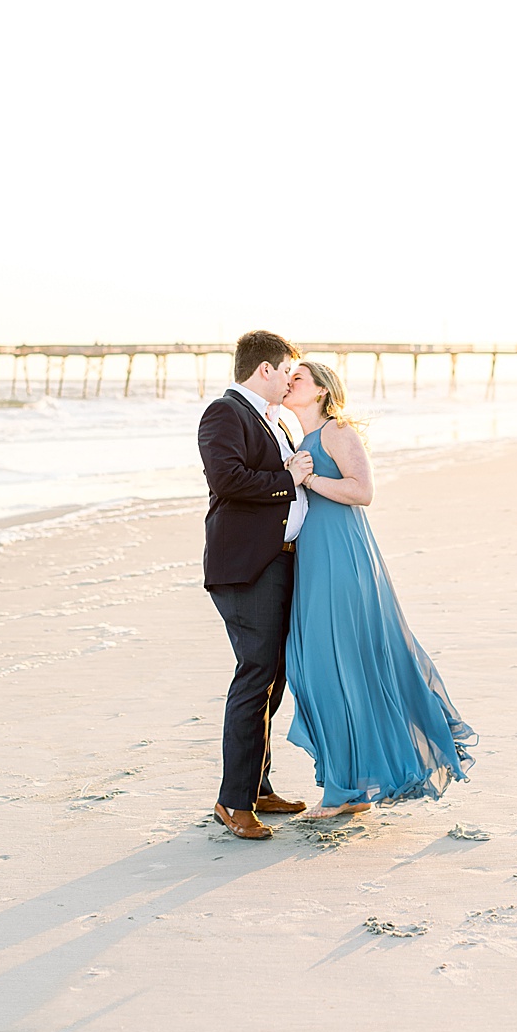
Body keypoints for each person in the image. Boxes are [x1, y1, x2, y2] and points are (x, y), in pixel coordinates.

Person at [279, 358, 475, 815]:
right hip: (313, 558)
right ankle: (350, 784)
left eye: (298, 379)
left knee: (339, 666)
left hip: (343, 557)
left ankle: (347, 791)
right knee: (315, 669)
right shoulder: (299, 439)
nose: (290, 383)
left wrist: (308, 477)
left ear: (323, 391)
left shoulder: (336, 432)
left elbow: (362, 491)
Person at [197, 329, 315, 840]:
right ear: (263, 369)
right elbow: (227, 479)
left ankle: (257, 785)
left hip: (277, 561)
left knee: (274, 678)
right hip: (245, 567)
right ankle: (232, 800)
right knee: (255, 676)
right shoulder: (224, 413)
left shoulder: (272, 419)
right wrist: (289, 479)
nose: (291, 380)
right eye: (287, 371)